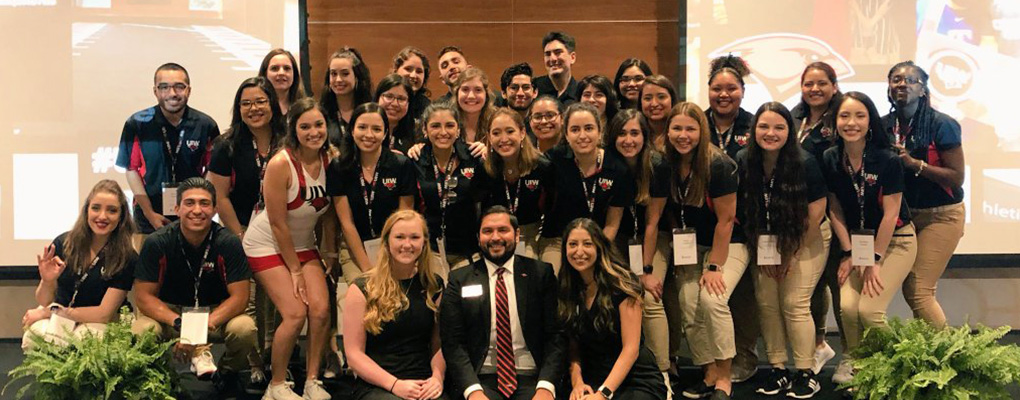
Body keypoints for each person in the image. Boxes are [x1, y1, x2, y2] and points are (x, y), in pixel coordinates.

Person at [242, 98, 335, 400]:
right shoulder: (281, 163)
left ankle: (312, 380)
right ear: (294, 129)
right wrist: (295, 271)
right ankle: (277, 384)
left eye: (318, 124)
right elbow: (278, 224)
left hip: (304, 244)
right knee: (295, 313)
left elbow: (330, 214)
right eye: (305, 126)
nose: (313, 131)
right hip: (267, 244)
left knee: (320, 311)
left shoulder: (331, 159)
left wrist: (330, 252)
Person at [822, 92, 916, 386]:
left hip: (896, 241)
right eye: (844, 116)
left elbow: (891, 214)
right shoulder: (830, 158)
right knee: (848, 308)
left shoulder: (887, 159)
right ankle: (856, 359)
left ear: (870, 120)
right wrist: (849, 253)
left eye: (859, 116)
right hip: (857, 245)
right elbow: (834, 207)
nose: (851, 123)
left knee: (869, 311)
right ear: (835, 121)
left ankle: (901, 365)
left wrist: (874, 258)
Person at [737, 103, 830, 398]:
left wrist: (791, 253)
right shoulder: (743, 159)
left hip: (806, 237)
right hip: (764, 240)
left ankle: (806, 371)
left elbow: (816, 212)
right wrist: (764, 248)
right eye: (763, 126)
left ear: (789, 131)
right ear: (753, 130)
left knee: (794, 302)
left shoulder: (804, 162)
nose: (770, 133)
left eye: (779, 127)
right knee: (766, 302)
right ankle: (778, 369)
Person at [131, 177, 257, 381]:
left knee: (244, 329)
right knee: (142, 331)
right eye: (189, 203)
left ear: (215, 209)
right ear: (177, 208)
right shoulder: (157, 243)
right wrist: (181, 324)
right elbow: (144, 297)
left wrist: (198, 330)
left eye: (204, 203)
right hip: (171, 314)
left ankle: (225, 375)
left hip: (215, 313)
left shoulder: (229, 243)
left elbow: (240, 298)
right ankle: (159, 380)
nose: (197, 210)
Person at [664, 103, 747, 400]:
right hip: (691, 245)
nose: (683, 135)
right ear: (668, 131)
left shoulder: (719, 165)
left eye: (690, 128)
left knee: (713, 301)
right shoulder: (666, 163)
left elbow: (726, 221)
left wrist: (714, 267)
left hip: (728, 244)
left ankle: (725, 376)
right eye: (677, 128)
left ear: (702, 131)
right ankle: (708, 370)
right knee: (688, 305)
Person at [439, 206, 565, 400]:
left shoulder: (540, 274)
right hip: (480, 378)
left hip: (532, 377)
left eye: (503, 230)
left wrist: (546, 387)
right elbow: (453, 343)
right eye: (487, 231)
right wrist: (472, 391)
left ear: (516, 235)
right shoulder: (459, 279)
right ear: (478, 237)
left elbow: (556, 336)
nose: (495, 237)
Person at [882, 61, 965, 329]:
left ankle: (946, 359)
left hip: (940, 216)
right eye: (896, 79)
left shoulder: (942, 125)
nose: (902, 84)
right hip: (904, 218)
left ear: (923, 90)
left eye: (910, 80)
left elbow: (956, 177)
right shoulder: (883, 126)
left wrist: (915, 165)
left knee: (918, 289)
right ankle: (929, 355)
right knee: (905, 288)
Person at [559, 218, 668, 400]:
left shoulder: (623, 285)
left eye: (587, 244)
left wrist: (603, 394)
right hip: (592, 376)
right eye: (572, 244)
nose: (579, 251)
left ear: (600, 247)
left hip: (634, 379)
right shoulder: (566, 288)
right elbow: (573, 347)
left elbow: (631, 349)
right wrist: (577, 382)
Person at [343, 210, 447, 400]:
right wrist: (395, 385)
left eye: (414, 237)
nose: (407, 244)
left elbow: (439, 344)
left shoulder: (434, 285)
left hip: (423, 383)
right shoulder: (361, 288)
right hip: (378, 385)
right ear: (386, 242)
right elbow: (353, 355)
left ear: (424, 243)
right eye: (399, 237)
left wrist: (437, 378)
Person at [21, 180, 137, 350]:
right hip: (62, 313)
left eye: (112, 210)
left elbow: (104, 313)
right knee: (35, 336)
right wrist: (47, 281)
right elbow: (44, 300)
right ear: (86, 210)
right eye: (96, 208)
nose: (102, 216)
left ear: (121, 216)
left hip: (103, 320)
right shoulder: (64, 243)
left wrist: (51, 313)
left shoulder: (126, 256)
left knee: (84, 339)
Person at [602, 109, 673, 379]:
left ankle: (662, 371)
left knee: (651, 298)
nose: (628, 140)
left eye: (635, 133)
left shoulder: (658, 165)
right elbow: (612, 222)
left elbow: (652, 222)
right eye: (622, 133)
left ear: (645, 136)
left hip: (651, 241)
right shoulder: (606, 165)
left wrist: (645, 270)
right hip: (617, 240)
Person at [116, 63, 219, 245]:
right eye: (164, 87)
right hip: (148, 217)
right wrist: (150, 214)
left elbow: (212, 171)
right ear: (155, 91)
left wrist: (201, 208)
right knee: (148, 271)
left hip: (193, 216)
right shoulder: (137, 123)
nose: (172, 93)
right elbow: (131, 170)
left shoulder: (206, 125)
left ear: (189, 90)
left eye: (179, 86)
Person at [705, 54, 760, 383]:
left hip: (749, 223)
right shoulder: (697, 124)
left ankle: (747, 355)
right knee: (714, 294)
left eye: (731, 89)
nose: (723, 95)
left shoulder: (755, 125)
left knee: (746, 296)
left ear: (742, 89)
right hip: (706, 224)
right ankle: (713, 360)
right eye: (716, 89)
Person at [792, 61, 845, 375]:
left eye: (822, 83)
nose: (814, 89)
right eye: (808, 83)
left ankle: (852, 356)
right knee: (811, 285)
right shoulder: (794, 117)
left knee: (837, 285)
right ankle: (818, 345)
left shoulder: (841, 117)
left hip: (836, 211)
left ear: (834, 86)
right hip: (802, 210)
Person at [538, 102, 636, 274]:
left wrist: (595, 250)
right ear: (566, 135)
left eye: (589, 128)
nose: (582, 135)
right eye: (575, 130)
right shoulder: (553, 161)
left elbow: (612, 223)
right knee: (553, 279)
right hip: (557, 240)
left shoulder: (617, 168)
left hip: (598, 241)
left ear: (600, 132)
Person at [329, 102, 416, 280]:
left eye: (376, 129)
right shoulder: (339, 167)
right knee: (360, 297)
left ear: (385, 133)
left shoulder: (400, 164)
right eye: (362, 127)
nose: (369, 135)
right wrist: (368, 268)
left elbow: (403, 217)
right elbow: (346, 223)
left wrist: (390, 259)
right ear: (352, 130)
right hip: (355, 249)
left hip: (395, 247)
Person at [208, 77, 286, 237]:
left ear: (272, 103)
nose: (254, 108)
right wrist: (240, 237)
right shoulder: (225, 145)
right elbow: (221, 197)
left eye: (260, 101)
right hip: (242, 230)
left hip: (285, 229)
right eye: (246, 104)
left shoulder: (289, 141)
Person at [413, 102, 485, 273]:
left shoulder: (473, 157)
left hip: (467, 249)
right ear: (425, 129)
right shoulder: (416, 160)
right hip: (430, 250)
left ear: (458, 130)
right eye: (435, 126)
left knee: (468, 297)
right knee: (436, 297)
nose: (443, 132)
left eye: (450, 125)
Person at [478, 108, 553, 258]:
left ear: (522, 133)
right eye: (496, 133)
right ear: (489, 137)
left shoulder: (542, 166)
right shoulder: (484, 168)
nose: (503, 139)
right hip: (495, 237)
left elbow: (552, 208)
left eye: (510, 131)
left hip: (531, 236)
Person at [320, 46, 373, 145]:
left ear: (357, 76)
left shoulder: (371, 110)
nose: (338, 80)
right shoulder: (321, 113)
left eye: (345, 74)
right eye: (333, 74)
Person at [374, 74, 421, 154]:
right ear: (378, 98)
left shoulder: (418, 132)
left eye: (401, 99)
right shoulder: (365, 127)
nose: (395, 103)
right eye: (389, 96)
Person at [534, 31, 579, 105]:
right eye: (548, 54)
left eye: (558, 52)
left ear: (572, 57)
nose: (552, 59)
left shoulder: (581, 92)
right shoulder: (534, 89)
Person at [392, 46, 432, 127]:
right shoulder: (383, 100)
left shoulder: (429, 109)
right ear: (396, 71)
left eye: (419, 71)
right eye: (408, 69)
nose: (413, 75)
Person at [260, 48, 306, 115]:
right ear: (265, 73)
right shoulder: (256, 109)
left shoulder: (305, 109)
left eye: (287, 68)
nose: (281, 73)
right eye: (274, 68)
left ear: (294, 74)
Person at [639, 75, 678, 152]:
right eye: (648, 98)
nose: (654, 104)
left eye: (661, 97)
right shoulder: (634, 133)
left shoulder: (682, 133)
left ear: (672, 99)